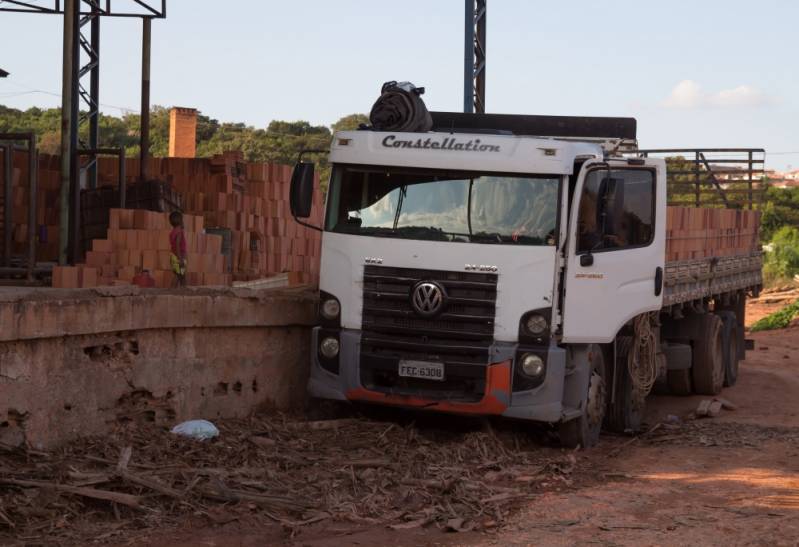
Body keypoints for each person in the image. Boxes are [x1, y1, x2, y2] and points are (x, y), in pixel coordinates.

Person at [169, 211, 187, 287]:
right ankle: (176, 290)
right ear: (181, 221)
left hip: (173, 256)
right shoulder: (179, 232)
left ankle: (180, 290)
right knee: (179, 275)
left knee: (179, 274)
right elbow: (177, 246)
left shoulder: (173, 232)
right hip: (179, 257)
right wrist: (180, 259)